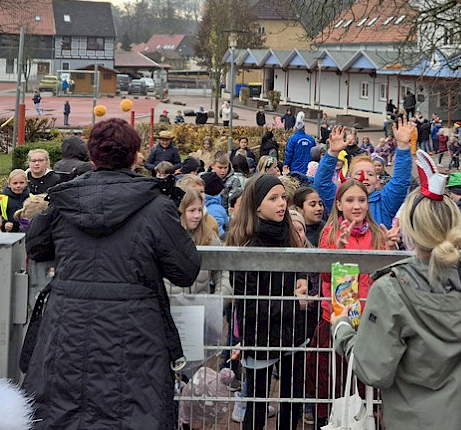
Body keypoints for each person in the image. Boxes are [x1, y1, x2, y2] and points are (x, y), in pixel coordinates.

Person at [330, 171, 461, 430]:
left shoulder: (390, 290)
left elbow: (373, 370)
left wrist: (342, 329)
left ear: (411, 230)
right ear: (455, 223)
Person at [24, 117, 201, 430]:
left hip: (67, 333)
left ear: (92, 156)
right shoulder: (156, 206)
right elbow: (185, 270)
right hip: (137, 339)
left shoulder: (67, 200)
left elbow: (37, 246)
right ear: (134, 157)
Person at [226, 174, 312, 430]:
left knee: (292, 403)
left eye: (283, 197)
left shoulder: (289, 234)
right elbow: (249, 305)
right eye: (273, 198)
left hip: (293, 334)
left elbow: (301, 264)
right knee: (257, 406)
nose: (282, 203)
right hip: (260, 338)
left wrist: (302, 279)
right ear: (256, 206)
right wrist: (294, 304)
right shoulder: (247, 245)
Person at [307, 174, 395, 425]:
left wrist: (391, 251)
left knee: (368, 383)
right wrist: (337, 249)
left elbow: (385, 277)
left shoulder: (377, 233)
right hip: (336, 320)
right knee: (331, 383)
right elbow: (324, 275)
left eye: (362, 200)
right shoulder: (330, 233)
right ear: (338, 204)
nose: (357, 206)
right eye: (350, 200)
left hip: (370, 321)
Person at [315, 118, 414, 230]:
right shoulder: (341, 199)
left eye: (370, 174)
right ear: (349, 179)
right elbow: (321, 183)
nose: (365, 177)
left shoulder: (385, 202)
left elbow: (400, 181)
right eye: (359, 173)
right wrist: (332, 153)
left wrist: (403, 147)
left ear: (377, 182)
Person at [167, 188, 231, 298]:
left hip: (202, 305)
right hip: (169, 306)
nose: (197, 215)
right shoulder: (162, 238)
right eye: (192, 210)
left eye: (200, 210)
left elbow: (222, 274)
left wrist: (218, 299)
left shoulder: (210, 238)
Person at [283, 112, 315, 176]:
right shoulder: (311, 139)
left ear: (295, 128)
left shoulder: (292, 139)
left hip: (295, 168)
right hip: (308, 169)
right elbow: (314, 154)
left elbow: (289, 154)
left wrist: (286, 165)